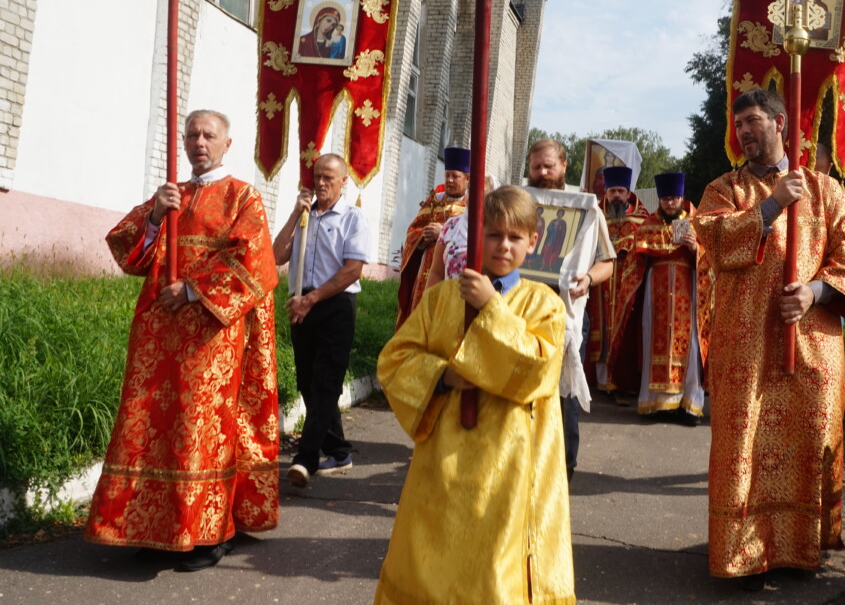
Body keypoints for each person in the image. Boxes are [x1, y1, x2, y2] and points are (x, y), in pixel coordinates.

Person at [84, 110, 279, 572]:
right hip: (158, 336)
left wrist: (193, 290)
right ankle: (152, 528)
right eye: (191, 134)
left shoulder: (242, 197)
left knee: (198, 431)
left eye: (209, 135)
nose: (198, 142)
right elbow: (128, 253)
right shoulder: (172, 195)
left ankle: (209, 535)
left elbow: (255, 263)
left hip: (210, 338)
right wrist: (155, 214)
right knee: (150, 424)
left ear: (227, 143)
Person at [692, 88, 845, 589]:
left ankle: (799, 547)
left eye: (752, 121)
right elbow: (717, 239)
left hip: (809, 341)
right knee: (741, 442)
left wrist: (814, 291)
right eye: (739, 125)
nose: (744, 132)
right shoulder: (723, 189)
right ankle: (741, 550)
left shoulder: (826, 191)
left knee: (808, 440)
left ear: (779, 122)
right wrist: (772, 205)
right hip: (745, 345)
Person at [374, 186, 573, 604]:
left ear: (533, 243)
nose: (503, 245)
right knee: (431, 560)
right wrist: (442, 375)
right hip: (442, 462)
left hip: (509, 466)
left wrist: (491, 310)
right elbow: (395, 360)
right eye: (494, 234)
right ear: (476, 235)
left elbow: (538, 368)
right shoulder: (442, 298)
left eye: (515, 238)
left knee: (494, 571)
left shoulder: (544, 304)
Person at [272, 153, 370, 488]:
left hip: (334, 304)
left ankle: (306, 458)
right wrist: (294, 212)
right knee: (306, 382)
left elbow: (352, 270)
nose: (322, 183)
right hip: (300, 302)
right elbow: (276, 255)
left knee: (326, 383)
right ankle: (339, 450)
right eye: (317, 177)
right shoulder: (305, 216)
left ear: (344, 181)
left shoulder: (353, 218)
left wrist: (312, 300)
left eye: (329, 177)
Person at [525, 138, 615, 482]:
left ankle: (563, 471)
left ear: (564, 166)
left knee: (564, 397)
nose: (543, 173)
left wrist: (589, 279)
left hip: (567, 315)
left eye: (549, 166)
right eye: (536, 167)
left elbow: (607, 261)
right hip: (522, 311)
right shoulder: (519, 202)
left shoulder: (587, 209)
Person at [611, 171, 708, 424]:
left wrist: (695, 248)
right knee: (653, 341)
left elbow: (710, 260)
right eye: (665, 199)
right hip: (656, 298)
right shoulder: (649, 224)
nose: (669, 203)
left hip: (688, 296)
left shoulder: (695, 223)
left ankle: (689, 407)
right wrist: (643, 252)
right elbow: (634, 256)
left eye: (674, 198)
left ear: (681, 197)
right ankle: (658, 405)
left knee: (692, 347)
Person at [586, 166, 649, 400]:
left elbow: (646, 241)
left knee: (624, 329)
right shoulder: (594, 215)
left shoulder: (641, 218)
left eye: (620, 191)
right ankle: (598, 382)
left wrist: (629, 247)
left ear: (628, 193)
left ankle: (622, 382)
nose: (616, 196)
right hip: (600, 284)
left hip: (626, 283)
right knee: (597, 328)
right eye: (612, 191)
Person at [395, 146, 469, 327]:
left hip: (453, 277)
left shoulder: (472, 206)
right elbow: (412, 231)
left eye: (455, 176)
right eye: (447, 175)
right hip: (425, 273)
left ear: (467, 179)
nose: (450, 180)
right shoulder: (434, 201)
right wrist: (423, 237)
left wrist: (442, 233)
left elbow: (475, 240)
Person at [424, 173, 497, 288]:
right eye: (472, 191)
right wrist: (428, 303)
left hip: (482, 302)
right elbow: (436, 273)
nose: (476, 196)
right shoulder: (451, 225)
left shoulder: (498, 230)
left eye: (483, 193)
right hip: (449, 301)